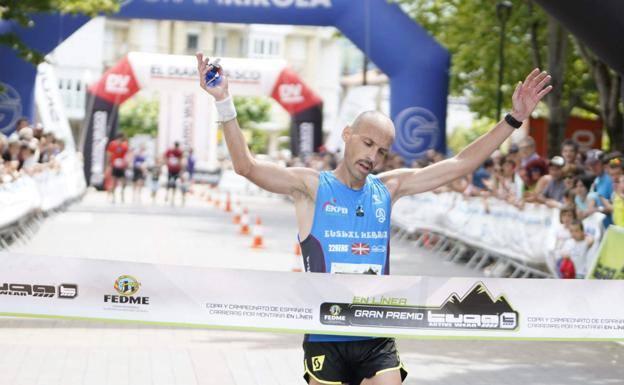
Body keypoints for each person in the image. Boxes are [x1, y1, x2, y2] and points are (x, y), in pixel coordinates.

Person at [196, 53, 552, 385]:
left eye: (381, 151)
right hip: (326, 330)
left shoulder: (388, 189)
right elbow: (246, 166)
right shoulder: (310, 187)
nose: (373, 156)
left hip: (375, 330)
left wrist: (513, 120)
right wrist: (223, 102)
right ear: (347, 135)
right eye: (367, 144)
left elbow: (460, 164)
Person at [106, 133, 129, 203]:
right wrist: (109, 164)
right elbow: (109, 154)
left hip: (121, 166)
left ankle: (122, 195)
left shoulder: (124, 145)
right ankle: (113, 197)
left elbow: (127, 155)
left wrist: (126, 164)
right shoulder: (112, 144)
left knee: (123, 181)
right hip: (114, 166)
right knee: (114, 181)